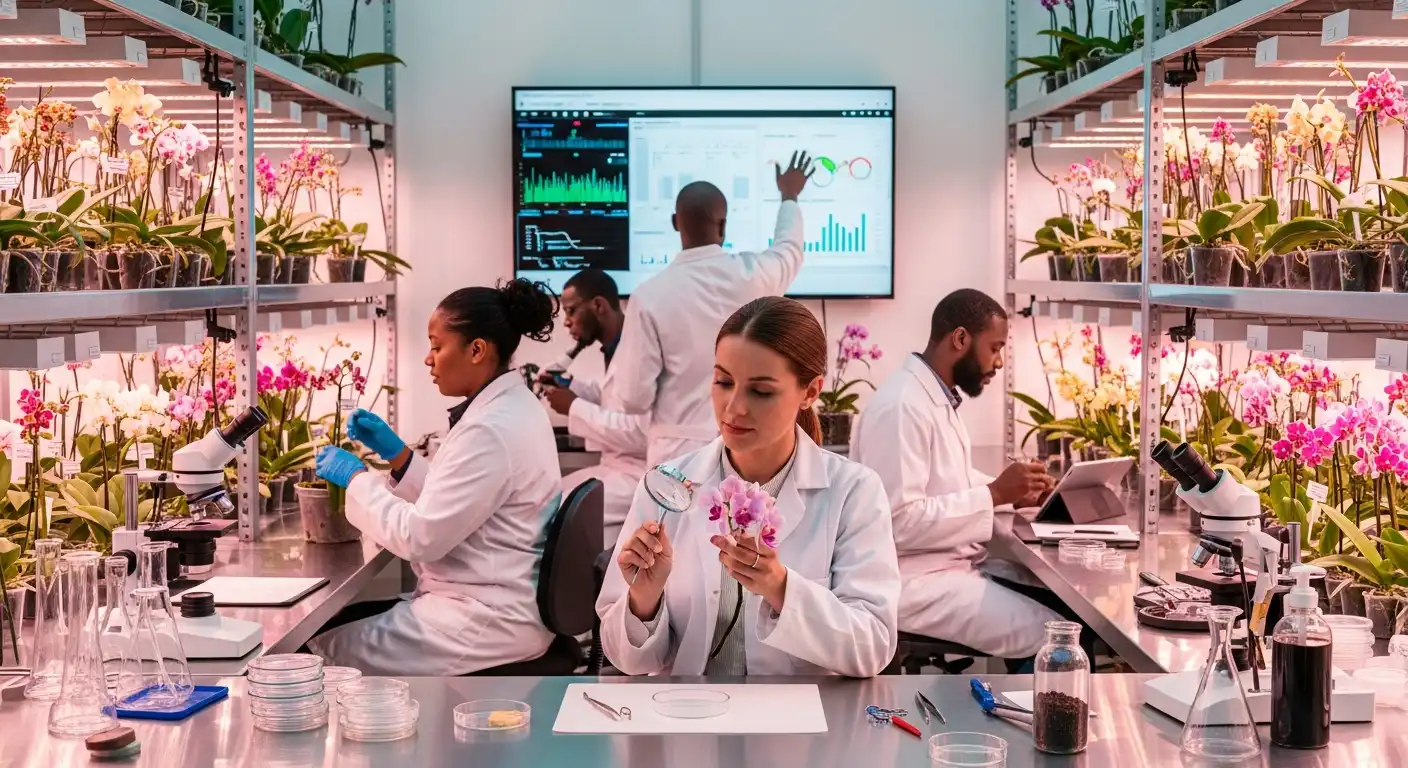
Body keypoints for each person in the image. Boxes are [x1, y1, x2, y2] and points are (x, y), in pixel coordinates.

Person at [597, 296, 900, 677]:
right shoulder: (666, 487)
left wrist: (780, 587)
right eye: (723, 382)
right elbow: (626, 659)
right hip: (690, 717)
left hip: (798, 725)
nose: (733, 407)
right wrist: (644, 599)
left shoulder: (853, 492)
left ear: (810, 392)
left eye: (760, 391)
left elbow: (872, 647)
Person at [306, 279, 566, 675]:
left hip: (481, 620)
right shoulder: (515, 407)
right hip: (493, 602)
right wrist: (400, 457)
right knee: (333, 631)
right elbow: (460, 499)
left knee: (309, 657)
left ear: (476, 350)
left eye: (436, 345)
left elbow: (420, 537)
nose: (429, 359)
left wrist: (355, 477)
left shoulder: (490, 428)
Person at [850, 288, 1060, 660]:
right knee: (1057, 643)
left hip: (944, 567)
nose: (998, 363)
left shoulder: (933, 395)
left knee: (1062, 608)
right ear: (961, 338)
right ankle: (1027, 716)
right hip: (912, 582)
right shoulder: (902, 406)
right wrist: (994, 494)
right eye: (994, 348)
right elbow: (899, 520)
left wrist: (1013, 492)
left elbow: (944, 482)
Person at [607, 151, 815, 467]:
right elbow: (790, 250)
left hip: (675, 459)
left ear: (675, 223)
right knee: (742, 517)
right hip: (745, 447)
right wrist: (789, 196)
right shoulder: (754, 277)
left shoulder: (648, 297)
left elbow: (634, 400)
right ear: (723, 225)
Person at [539, 269, 647, 543]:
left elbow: (640, 432)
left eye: (571, 311)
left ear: (599, 305)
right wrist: (572, 387)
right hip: (618, 467)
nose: (566, 322)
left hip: (638, 473)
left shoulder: (641, 350)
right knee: (545, 500)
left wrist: (573, 406)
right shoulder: (616, 348)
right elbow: (614, 398)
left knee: (556, 511)